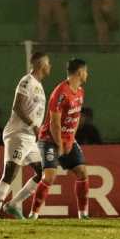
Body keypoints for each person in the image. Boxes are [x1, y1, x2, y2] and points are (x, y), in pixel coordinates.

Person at [0, 52, 51, 219]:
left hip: (30, 137)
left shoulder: (39, 85)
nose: (50, 66)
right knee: (10, 173)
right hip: (18, 134)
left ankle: (13, 204)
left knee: (43, 172)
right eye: (48, 63)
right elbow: (17, 107)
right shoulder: (27, 81)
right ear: (41, 65)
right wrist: (33, 126)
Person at [28, 58, 90, 219]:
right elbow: (54, 122)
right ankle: (33, 214)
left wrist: (70, 140)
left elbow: (75, 119)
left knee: (82, 172)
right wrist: (60, 144)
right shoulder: (61, 92)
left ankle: (83, 214)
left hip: (67, 139)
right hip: (49, 139)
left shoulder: (80, 92)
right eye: (86, 71)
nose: (87, 74)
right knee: (49, 176)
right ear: (80, 72)